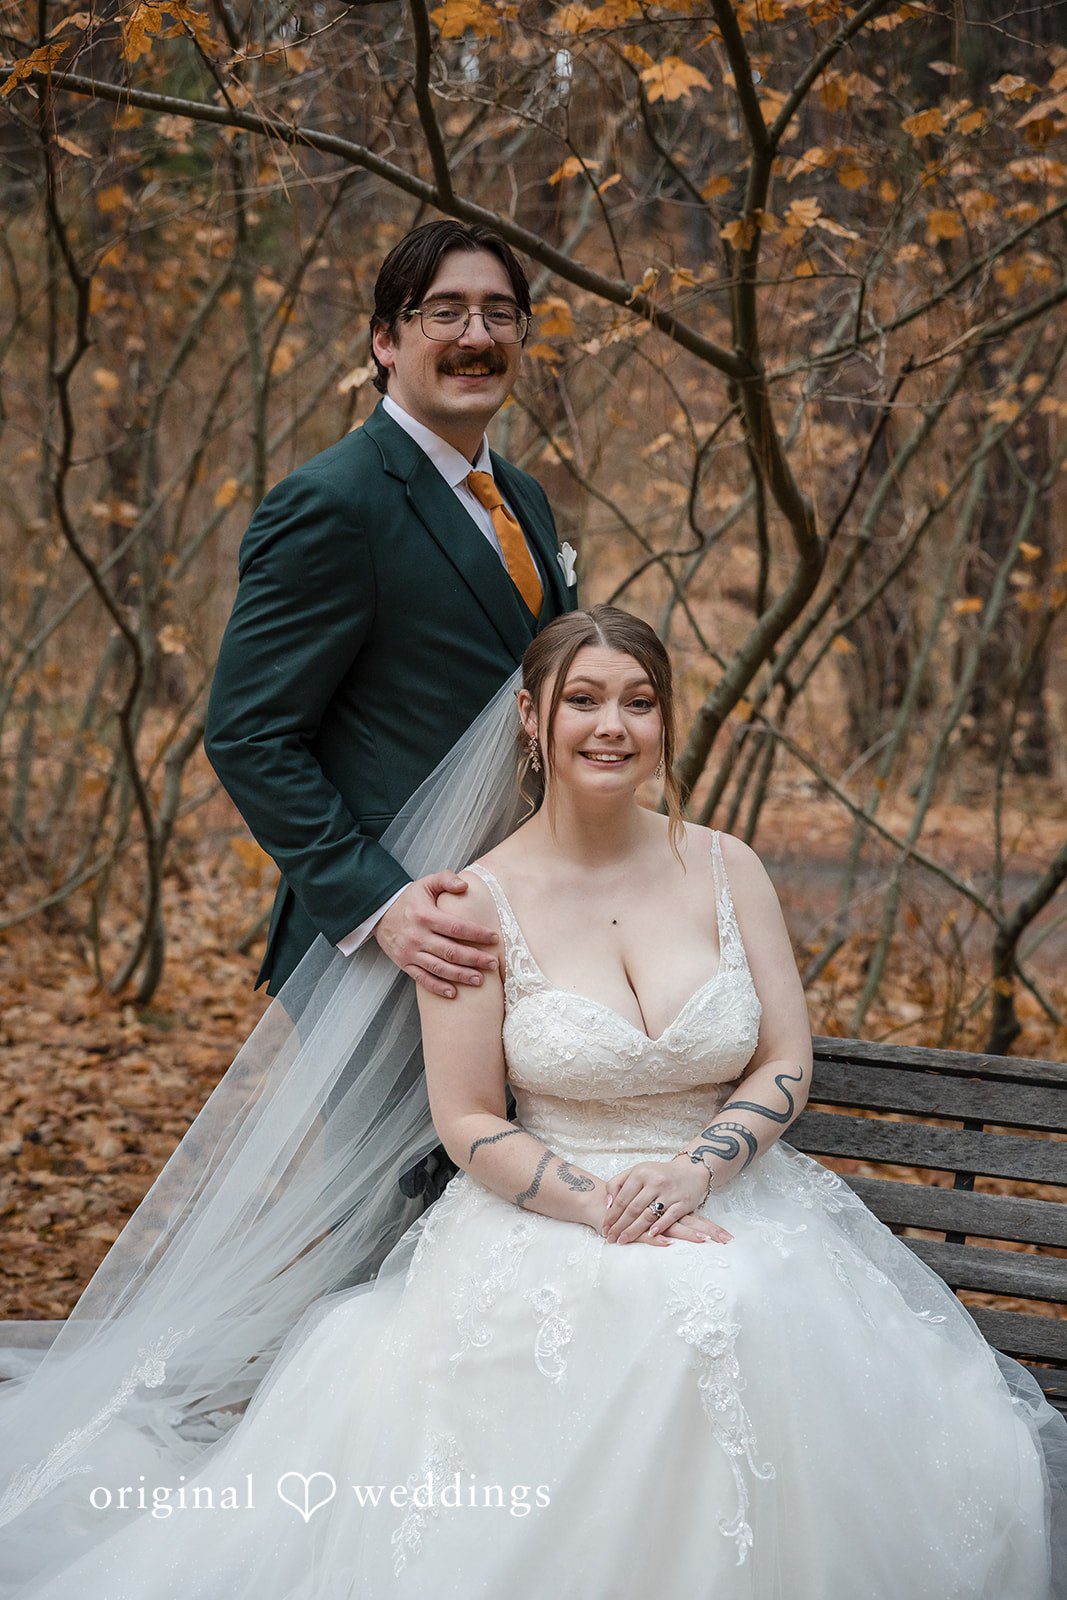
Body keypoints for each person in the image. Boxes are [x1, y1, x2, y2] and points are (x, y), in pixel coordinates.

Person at [3, 607, 1062, 1599]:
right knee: (686, 1314)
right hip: (546, 1215)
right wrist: (599, 1205)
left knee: (743, 1301)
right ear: (531, 716)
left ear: (665, 718)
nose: (613, 725)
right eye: (583, 699)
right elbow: (466, 1118)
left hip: (738, 1193)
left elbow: (782, 1057)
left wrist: (700, 1168)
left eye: (638, 700)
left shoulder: (728, 867)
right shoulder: (473, 901)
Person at [203, 218, 578, 1200]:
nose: (475, 334)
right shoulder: (333, 501)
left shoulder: (524, 499)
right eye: (443, 310)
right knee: (395, 1228)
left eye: (498, 312)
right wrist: (381, 906)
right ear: (384, 340)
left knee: (499, 1216)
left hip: (516, 923)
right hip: (392, 939)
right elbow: (249, 732)